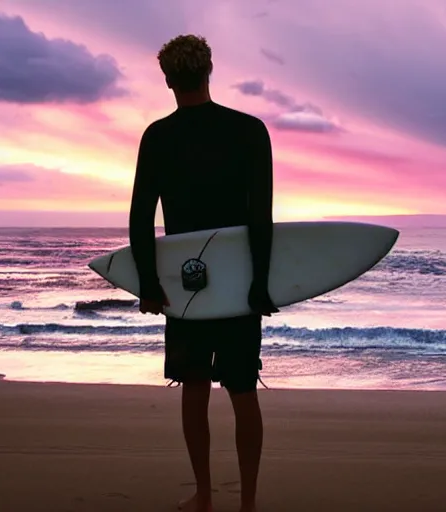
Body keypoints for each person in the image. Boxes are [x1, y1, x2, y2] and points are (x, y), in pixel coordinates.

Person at [128, 34, 279, 512]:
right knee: (242, 388)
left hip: (187, 282)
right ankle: (248, 502)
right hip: (238, 282)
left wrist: (149, 285)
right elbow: (261, 216)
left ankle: (205, 495)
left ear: (168, 80)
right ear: (209, 70)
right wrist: (261, 283)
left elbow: (139, 218)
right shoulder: (250, 130)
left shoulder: (158, 137)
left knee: (193, 387)